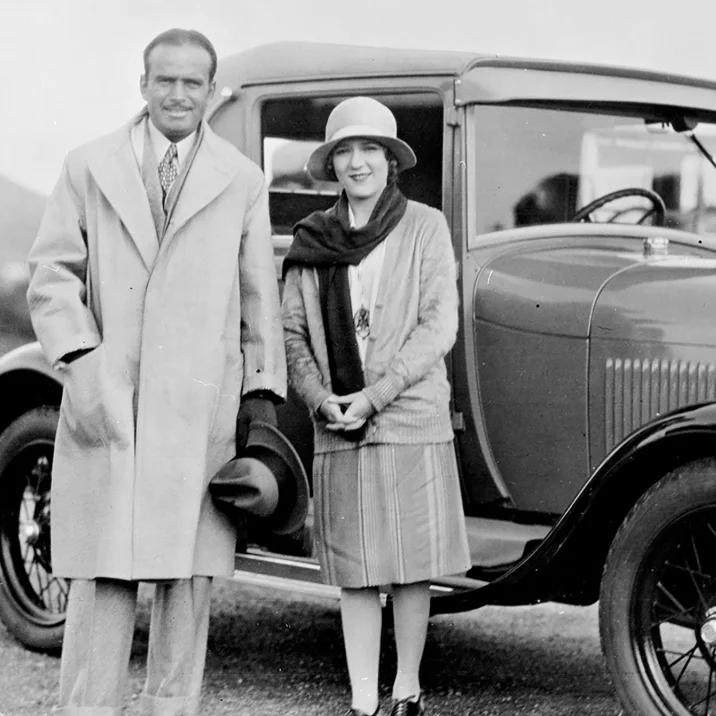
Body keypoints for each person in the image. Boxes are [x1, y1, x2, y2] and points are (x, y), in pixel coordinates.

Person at [26, 28, 285, 716]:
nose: (177, 94)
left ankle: (172, 708)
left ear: (212, 91)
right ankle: (88, 708)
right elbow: (52, 274)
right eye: (164, 79)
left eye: (192, 82)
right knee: (102, 568)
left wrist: (260, 398)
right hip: (108, 395)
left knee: (186, 577)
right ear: (143, 84)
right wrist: (82, 364)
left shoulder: (241, 179)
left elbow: (258, 295)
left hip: (198, 403)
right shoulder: (89, 165)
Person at [282, 96, 471, 716]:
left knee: (412, 563)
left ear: (391, 161)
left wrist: (376, 395)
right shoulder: (312, 239)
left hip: (410, 415)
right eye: (345, 150)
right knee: (356, 568)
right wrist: (321, 399)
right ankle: (364, 698)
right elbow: (292, 335)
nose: (357, 161)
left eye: (371, 149)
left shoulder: (425, 226)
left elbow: (439, 324)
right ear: (332, 163)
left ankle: (408, 686)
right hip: (339, 420)